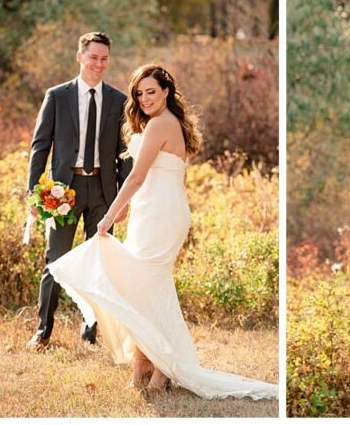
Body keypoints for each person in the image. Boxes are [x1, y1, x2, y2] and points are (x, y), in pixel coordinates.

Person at [46, 64, 277, 399]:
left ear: (167, 91)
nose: (144, 99)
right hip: (154, 209)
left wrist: (110, 214)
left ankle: (162, 369)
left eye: (151, 91)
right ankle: (143, 362)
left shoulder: (161, 125)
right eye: (139, 94)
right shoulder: (167, 124)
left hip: (161, 214)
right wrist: (130, 207)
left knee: (148, 288)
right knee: (139, 288)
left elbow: (137, 177)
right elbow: (160, 178)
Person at [26, 31, 131, 350]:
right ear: (80, 57)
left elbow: (124, 154)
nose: (98, 64)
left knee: (98, 264)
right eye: (93, 57)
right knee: (55, 262)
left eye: (104, 59)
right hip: (61, 192)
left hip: (102, 191)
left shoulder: (118, 100)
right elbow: (40, 146)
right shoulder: (56, 96)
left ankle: (91, 331)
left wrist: (123, 199)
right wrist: (34, 193)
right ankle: (43, 330)